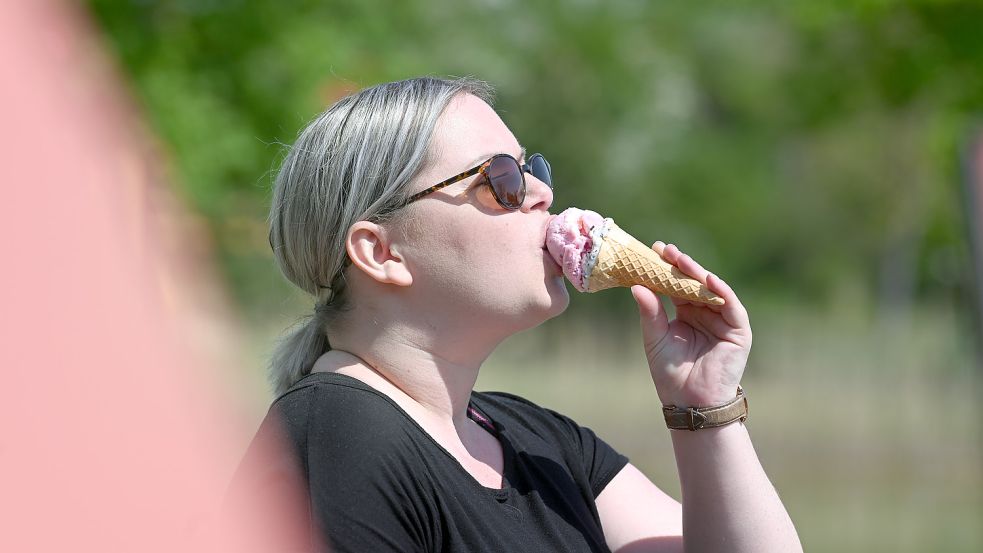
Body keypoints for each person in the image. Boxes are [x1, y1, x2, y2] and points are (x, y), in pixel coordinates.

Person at [233, 76, 803, 553]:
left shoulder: (537, 441)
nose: (539, 193)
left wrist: (703, 407)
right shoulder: (340, 436)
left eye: (536, 170)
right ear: (382, 254)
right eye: (499, 178)